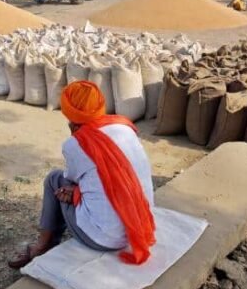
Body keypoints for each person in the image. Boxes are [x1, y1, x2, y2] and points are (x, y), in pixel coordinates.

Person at [8, 81, 156, 269]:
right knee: (80, 185)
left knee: (54, 179)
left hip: (105, 239)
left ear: (69, 113)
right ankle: (49, 239)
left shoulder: (75, 144)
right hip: (139, 225)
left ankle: (42, 246)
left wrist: (76, 137)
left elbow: (70, 179)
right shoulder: (125, 127)